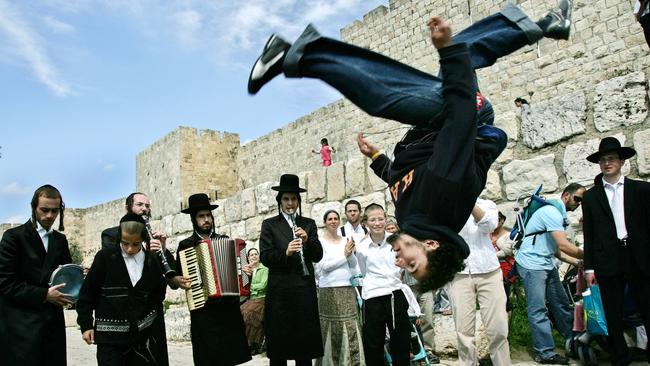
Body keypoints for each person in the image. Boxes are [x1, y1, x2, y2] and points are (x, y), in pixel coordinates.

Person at [248, 0, 574, 290]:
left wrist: (376, 157)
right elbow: (461, 118)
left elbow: (401, 179)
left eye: (407, 269)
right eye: (412, 264)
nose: (401, 263)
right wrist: (446, 52)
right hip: (463, 117)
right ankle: (301, 55)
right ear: (430, 244)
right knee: (384, 96)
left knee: (463, 47)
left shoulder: (415, 219)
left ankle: (544, 25)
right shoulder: (444, 195)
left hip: (438, 126)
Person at [582, 137, 650, 365]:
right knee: (613, 311)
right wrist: (589, 268)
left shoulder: (641, 189)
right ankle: (620, 357)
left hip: (638, 255)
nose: (607, 163)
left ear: (622, 161)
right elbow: (589, 234)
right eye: (603, 160)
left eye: (611, 159)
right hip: (608, 259)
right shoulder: (591, 197)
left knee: (646, 305)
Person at [76, 213, 169, 365]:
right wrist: (86, 325)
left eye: (136, 244)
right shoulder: (105, 258)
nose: (130, 249)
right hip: (110, 343)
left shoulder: (151, 261)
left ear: (143, 240)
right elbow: (87, 294)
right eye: (125, 243)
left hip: (143, 342)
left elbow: (159, 294)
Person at [175, 193, 251, 366]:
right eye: (201, 216)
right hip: (204, 312)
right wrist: (182, 280)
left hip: (228, 311)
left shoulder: (226, 241)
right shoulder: (186, 246)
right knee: (207, 360)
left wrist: (246, 273)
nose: (206, 219)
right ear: (194, 219)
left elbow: (242, 275)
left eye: (208, 215)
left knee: (231, 359)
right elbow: (178, 278)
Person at [0, 184, 72, 366]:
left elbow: (66, 277)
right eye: (44, 210)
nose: (49, 216)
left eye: (54, 211)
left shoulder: (60, 240)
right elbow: (5, 283)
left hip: (51, 326)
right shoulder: (13, 237)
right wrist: (45, 295)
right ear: (34, 207)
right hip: (20, 327)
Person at [514, 183, 585, 364]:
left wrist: (579, 262)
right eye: (577, 198)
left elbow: (555, 250)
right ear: (566, 195)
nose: (578, 203)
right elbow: (562, 245)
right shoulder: (552, 212)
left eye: (581, 201)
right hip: (532, 264)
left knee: (560, 304)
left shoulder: (557, 214)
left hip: (545, 263)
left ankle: (574, 342)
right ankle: (544, 352)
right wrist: (590, 254)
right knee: (538, 309)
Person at [259, 174, 324, 366]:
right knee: (280, 349)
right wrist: (285, 253)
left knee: (304, 349)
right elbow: (265, 256)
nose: (290, 203)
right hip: (280, 294)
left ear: (298, 201)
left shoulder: (308, 224)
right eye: (286, 199)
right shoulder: (269, 225)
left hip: (304, 293)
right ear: (279, 201)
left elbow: (318, 255)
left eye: (294, 199)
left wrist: (307, 242)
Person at [450, 199, 511, 365]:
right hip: (459, 272)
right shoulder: (445, 202)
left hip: (488, 271)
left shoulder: (487, 204)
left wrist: (466, 200)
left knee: (498, 327)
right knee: (463, 330)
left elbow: (489, 225)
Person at [355, 203, 411, 365]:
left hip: (395, 295)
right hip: (373, 297)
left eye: (380, 219)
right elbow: (364, 271)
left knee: (401, 342)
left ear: (386, 220)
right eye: (372, 220)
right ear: (365, 223)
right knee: (373, 344)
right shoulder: (361, 248)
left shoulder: (396, 241)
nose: (377, 223)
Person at [316, 210, 364, 366]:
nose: (333, 221)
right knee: (330, 327)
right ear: (325, 222)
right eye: (330, 219)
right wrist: (344, 255)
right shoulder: (320, 242)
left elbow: (353, 264)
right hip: (328, 289)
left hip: (346, 287)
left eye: (336, 218)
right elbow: (324, 267)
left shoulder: (345, 239)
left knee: (350, 325)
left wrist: (350, 255)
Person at [240, 247, 269, 355]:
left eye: (255, 254)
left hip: (262, 298)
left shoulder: (264, 268)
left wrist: (251, 287)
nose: (253, 256)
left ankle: (253, 343)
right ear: (248, 258)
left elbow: (263, 285)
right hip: (251, 299)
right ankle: (249, 343)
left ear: (259, 256)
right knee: (240, 311)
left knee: (249, 313)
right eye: (251, 255)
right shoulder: (246, 270)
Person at [490, 211, 516, 316]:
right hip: (489, 265)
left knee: (502, 285)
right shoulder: (486, 235)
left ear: (502, 220)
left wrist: (490, 256)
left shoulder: (508, 235)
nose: (495, 222)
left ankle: (506, 309)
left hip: (504, 265)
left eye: (497, 219)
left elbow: (507, 252)